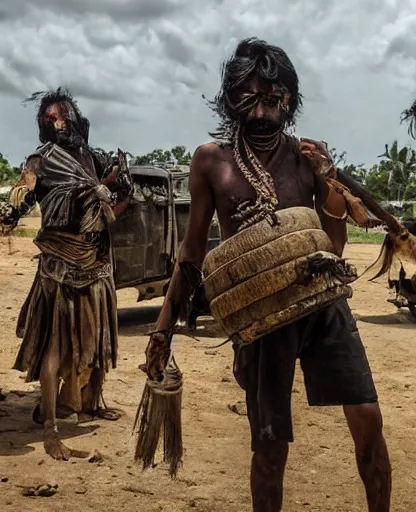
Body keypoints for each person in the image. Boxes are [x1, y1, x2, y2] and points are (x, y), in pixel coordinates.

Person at [142, 38, 391, 511]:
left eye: (271, 99)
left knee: (367, 417)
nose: (259, 112)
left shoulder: (307, 157)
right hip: (261, 316)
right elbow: (192, 252)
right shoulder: (211, 161)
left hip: (321, 299)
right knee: (271, 446)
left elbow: (333, 245)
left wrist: (329, 178)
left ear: (289, 100)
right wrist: (161, 332)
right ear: (231, 100)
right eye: (247, 98)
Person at [7, 87, 133, 460]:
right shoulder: (40, 162)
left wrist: (117, 186)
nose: (57, 122)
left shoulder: (95, 158)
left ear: (76, 118)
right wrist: (11, 211)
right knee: (53, 346)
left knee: (97, 341)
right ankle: (49, 427)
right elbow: (20, 196)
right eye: (49, 119)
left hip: (95, 262)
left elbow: (120, 197)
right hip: (58, 266)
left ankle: (92, 401)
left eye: (61, 114)